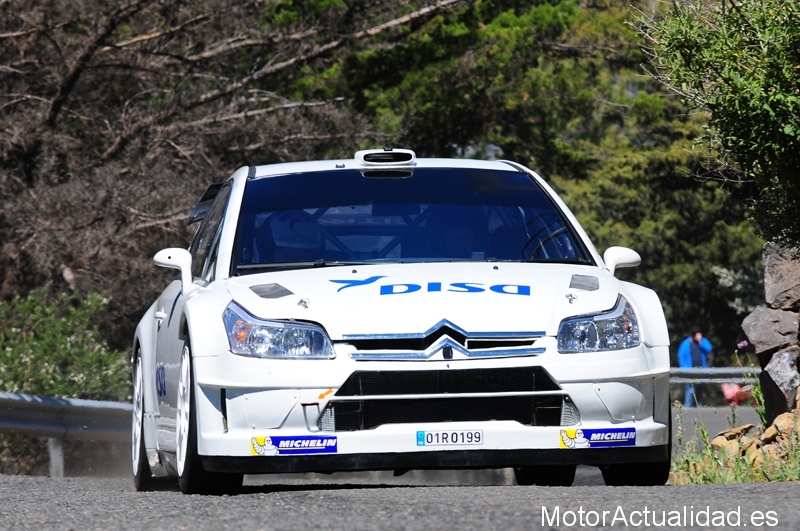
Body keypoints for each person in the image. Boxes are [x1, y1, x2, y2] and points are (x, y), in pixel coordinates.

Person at [677, 326, 713, 407]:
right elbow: (681, 357)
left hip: (701, 370)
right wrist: (685, 370)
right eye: (697, 335)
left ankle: (699, 410)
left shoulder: (703, 341)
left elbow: (709, 349)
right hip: (690, 372)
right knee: (690, 391)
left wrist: (701, 343)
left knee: (699, 392)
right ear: (693, 335)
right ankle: (687, 409)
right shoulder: (685, 344)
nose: (699, 336)